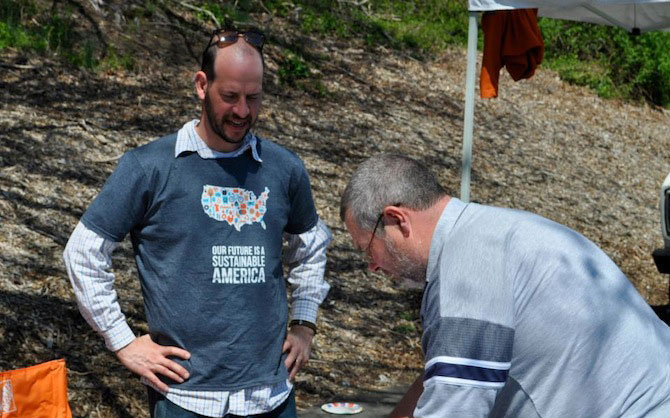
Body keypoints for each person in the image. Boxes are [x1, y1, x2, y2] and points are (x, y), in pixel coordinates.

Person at [63, 26, 331, 418]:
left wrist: (305, 323)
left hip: (271, 396)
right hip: (186, 400)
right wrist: (122, 342)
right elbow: (83, 254)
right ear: (202, 85)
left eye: (253, 98)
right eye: (230, 97)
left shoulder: (283, 169)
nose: (243, 111)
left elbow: (311, 245)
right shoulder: (149, 167)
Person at [340, 153, 670, 418]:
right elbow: (446, 375)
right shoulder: (489, 231)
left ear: (398, 219)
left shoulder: (465, 268)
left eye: (367, 248)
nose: (372, 266)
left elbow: (454, 406)